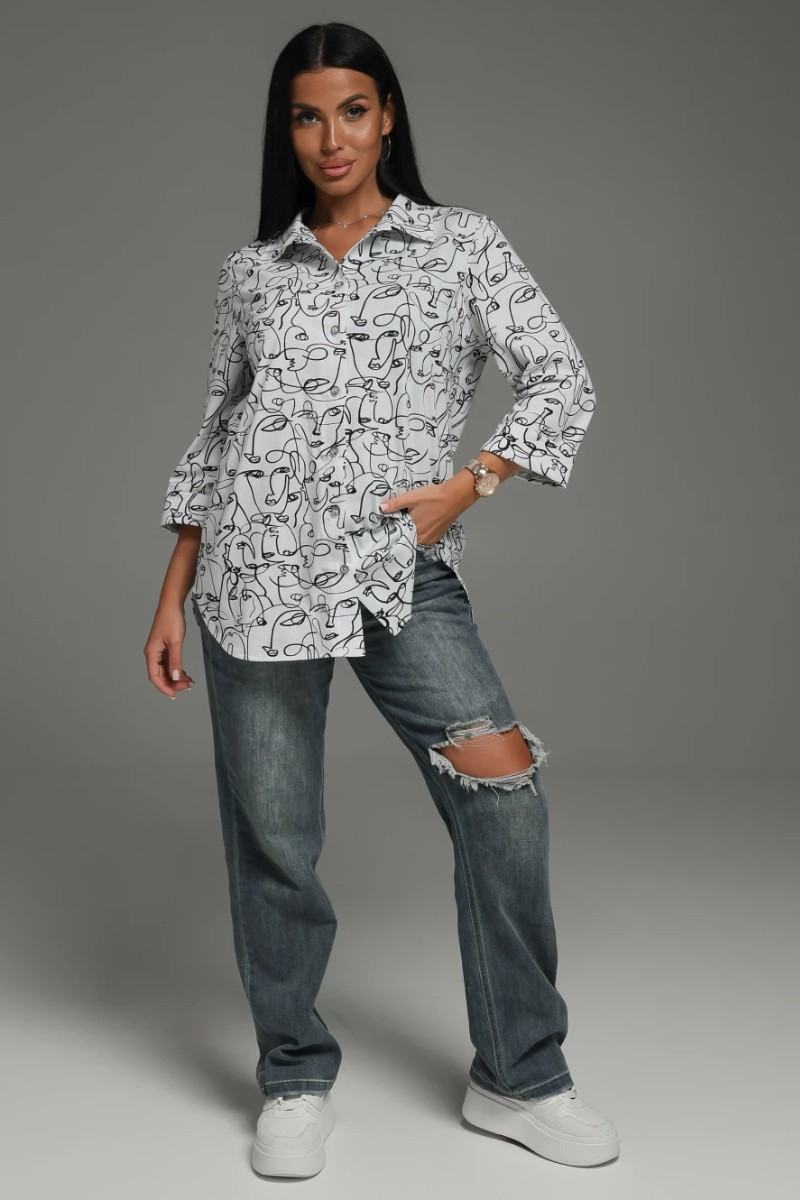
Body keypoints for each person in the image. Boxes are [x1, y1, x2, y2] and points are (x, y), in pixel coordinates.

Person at [145, 20, 620, 1179]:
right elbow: (218, 432)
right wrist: (170, 591)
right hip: (255, 575)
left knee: (502, 794)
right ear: (286, 131)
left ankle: (518, 1073)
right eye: (307, 116)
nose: (330, 137)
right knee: (274, 838)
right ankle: (294, 1075)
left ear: (388, 115)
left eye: (351, 110)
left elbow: (559, 375)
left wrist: (470, 484)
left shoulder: (459, 245)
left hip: (397, 572)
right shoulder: (253, 271)